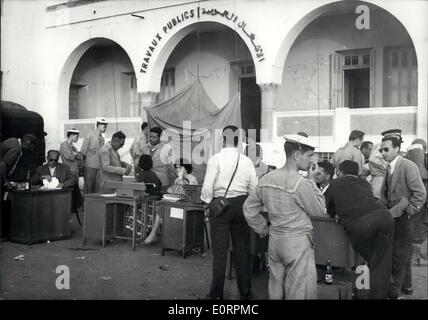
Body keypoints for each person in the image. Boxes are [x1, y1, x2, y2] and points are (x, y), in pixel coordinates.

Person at [243, 134, 327, 300]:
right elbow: (318, 210)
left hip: (275, 241)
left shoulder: (266, 178)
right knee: (298, 291)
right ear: (296, 155)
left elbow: (248, 208)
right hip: (297, 244)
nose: (312, 161)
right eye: (309, 156)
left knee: (275, 288)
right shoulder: (300, 183)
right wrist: (311, 181)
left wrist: (263, 228)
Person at [201, 125, 257, 300]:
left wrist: (208, 203)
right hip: (242, 206)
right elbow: (254, 188)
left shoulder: (215, 159)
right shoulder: (246, 161)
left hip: (221, 207)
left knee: (220, 252)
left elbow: (207, 187)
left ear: (223, 139)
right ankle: (245, 291)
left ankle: (216, 294)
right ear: (238, 140)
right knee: (242, 250)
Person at [326, 160, 394, 299]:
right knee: (382, 262)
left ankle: (373, 295)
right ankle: (390, 293)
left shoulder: (334, 184)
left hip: (362, 224)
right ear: (357, 172)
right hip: (385, 216)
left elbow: (330, 209)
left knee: (371, 262)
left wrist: (337, 214)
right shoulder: (364, 183)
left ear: (339, 171)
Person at [379, 129, 426, 299]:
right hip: (393, 216)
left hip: (404, 218)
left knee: (398, 255)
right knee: (402, 253)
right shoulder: (389, 167)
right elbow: (386, 193)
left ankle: (394, 292)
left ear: (397, 149)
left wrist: (409, 212)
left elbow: (420, 193)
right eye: (381, 150)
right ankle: (407, 287)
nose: (382, 153)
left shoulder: (408, 166)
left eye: (386, 149)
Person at [144, 159, 198, 244]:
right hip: (178, 204)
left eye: (180, 168)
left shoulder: (191, 178)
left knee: (163, 210)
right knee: (161, 208)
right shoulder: (177, 179)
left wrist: (180, 178)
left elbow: (183, 193)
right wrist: (178, 180)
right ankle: (164, 235)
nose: (177, 170)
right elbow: (171, 191)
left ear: (186, 168)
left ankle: (161, 235)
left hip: (188, 207)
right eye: (176, 168)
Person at [405, 139, 428, 267]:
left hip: (416, 200)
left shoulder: (409, 161)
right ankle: (416, 258)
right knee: (419, 228)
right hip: (420, 200)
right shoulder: (418, 162)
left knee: (418, 228)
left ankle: (415, 257)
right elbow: (422, 174)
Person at [142, 127, 176, 192]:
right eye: (150, 136)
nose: (151, 139)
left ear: (160, 137)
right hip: (147, 182)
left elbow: (171, 166)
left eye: (154, 137)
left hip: (162, 183)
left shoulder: (166, 148)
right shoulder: (145, 147)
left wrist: (173, 182)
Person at [59, 128, 84, 215]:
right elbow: (71, 157)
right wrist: (76, 155)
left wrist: (76, 154)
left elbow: (80, 157)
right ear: (71, 136)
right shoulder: (64, 145)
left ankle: (74, 209)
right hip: (69, 171)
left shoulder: (72, 146)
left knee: (75, 191)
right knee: (71, 191)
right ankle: (70, 209)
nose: (77, 138)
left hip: (75, 171)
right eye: (76, 136)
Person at [80, 117, 108, 193]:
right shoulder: (89, 136)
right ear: (98, 125)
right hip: (90, 167)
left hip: (99, 167)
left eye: (106, 126)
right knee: (88, 188)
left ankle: (95, 205)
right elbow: (83, 152)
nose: (106, 128)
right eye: (104, 126)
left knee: (97, 189)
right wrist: (82, 167)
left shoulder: (102, 139)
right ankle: (86, 204)